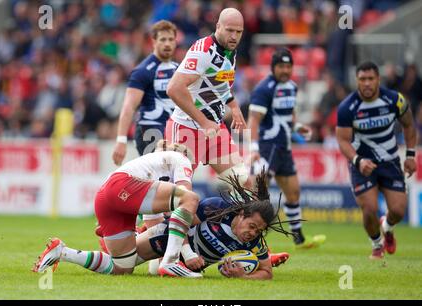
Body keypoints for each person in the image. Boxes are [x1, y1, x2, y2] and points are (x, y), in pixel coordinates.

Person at [33, 170, 290, 280]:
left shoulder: (254, 239)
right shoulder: (215, 209)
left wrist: (243, 275)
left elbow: (267, 274)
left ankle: (64, 251)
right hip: (168, 239)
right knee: (124, 266)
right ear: (242, 213)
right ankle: (68, 249)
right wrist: (186, 254)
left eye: (258, 231)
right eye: (252, 226)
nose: (252, 233)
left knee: (137, 270)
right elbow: (179, 219)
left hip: (184, 262)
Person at [33, 145, 203, 277]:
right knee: (191, 198)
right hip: (121, 186)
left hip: (105, 196)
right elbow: (187, 197)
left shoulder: (153, 178)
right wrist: (187, 254)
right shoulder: (182, 158)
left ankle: (62, 252)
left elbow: (155, 225)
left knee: (122, 268)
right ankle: (171, 261)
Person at [336, 61, 417, 259]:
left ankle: (387, 227)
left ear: (378, 79)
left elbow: (409, 125)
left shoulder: (394, 100)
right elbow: (343, 141)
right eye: (362, 79)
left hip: (389, 162)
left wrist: (410, 155)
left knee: (398, 210)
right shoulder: (347, 107)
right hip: (362, 164)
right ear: (357, 81)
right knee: (369, 208)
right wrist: (357, 161)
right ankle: (376, 245)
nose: (367, 83)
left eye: (371, 79)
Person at [247, 48, 326, 249]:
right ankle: (252, 239)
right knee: (260, 196)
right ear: (273, 67)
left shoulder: (291, 87)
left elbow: (288, 116)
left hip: (284, 148)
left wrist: (298, 128)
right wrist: (254, 148)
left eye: (288, 66)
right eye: (281, 66)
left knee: (293, 193)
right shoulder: (264, 89)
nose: (285, 70)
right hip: (267, 147)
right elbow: (254, 121)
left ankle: (298, 238)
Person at [165, 8, 250, 189]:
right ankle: (148, 216)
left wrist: (234, 107)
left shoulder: (229, 50)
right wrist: (204, 122)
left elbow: (219, 84)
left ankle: (234, 218)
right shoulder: (203, 51)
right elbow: (173, 88)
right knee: (177, 198)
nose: (234, 36)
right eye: (230, 30)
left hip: (215, 131)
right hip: (186, 130)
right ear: (218, 26)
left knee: (244, 184)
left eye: (239, 32)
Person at [112, 20, 179, 166]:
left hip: (172, 131)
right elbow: (128, 106)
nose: (167, 44)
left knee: (172, 175)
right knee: (164, 172)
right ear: (154, 41)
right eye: (163, 39)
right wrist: (121, 140)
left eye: (170, 39)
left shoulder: (179, 69)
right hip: (149, 130)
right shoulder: (143, 71)